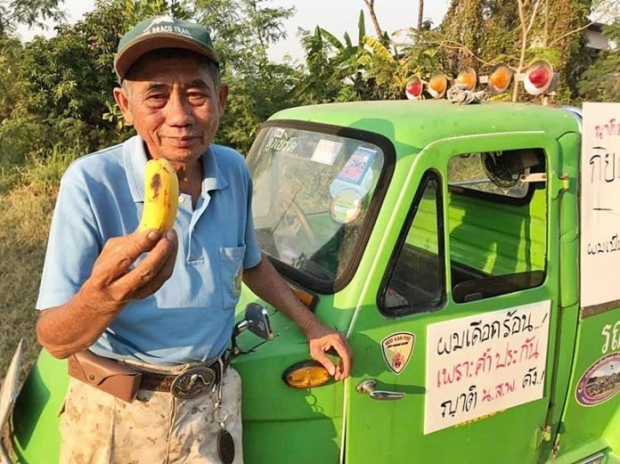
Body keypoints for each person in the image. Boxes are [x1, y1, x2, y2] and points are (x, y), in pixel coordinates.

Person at [35, 15, 353, 464]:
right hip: (118, 414)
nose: (180, 117)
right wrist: (105, 297)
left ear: (220, 100)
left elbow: (251, 264)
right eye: (156, 96)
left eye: (197, 94)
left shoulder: (233, 169)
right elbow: (54, 338)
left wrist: (313, 326)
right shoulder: (90, 183)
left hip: (212, 405)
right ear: (124, 105)